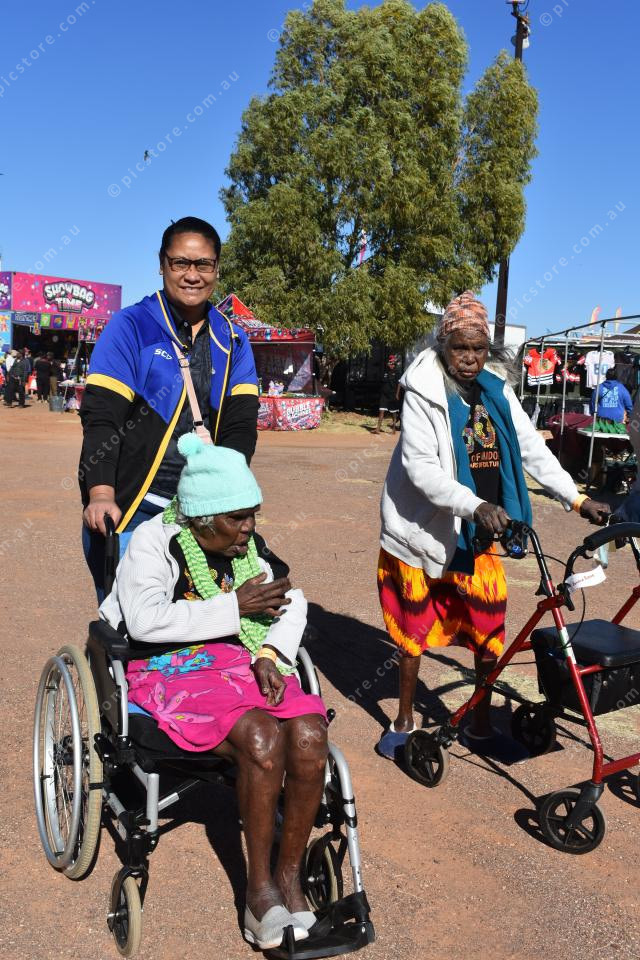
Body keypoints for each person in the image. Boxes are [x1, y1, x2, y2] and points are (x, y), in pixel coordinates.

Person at [100, 435, 327, 950]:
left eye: (253, 515)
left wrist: (269, 652)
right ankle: (258, 893)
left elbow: (291, 600)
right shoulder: (154, 542)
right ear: (202, 520)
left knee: (311, 733)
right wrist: (234, 608)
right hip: (167, 667)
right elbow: (144, 620)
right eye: (238, 518)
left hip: (238, 659)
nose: (249, 527)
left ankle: (289, 876)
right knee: (262, 736)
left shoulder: (246, 549)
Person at [376, 291, 610, 762]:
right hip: (424, 532)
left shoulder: (496, 389)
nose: (469, 358)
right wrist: (475, 504)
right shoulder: (423, 391)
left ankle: (479, 726)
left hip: (480, 533)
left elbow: (531, 448)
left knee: (488, 626)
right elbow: (421, 469)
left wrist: (577, 498)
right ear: (443, 345)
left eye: (478, 348)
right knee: (412, 630)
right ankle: (403, 722)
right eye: (459, 348)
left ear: (489, 349)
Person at [79, 216, 260, 599]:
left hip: (202, 514)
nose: (192, 275)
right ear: (162, 265)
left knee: (202, 619)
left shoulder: (232, 340)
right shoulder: (130, 327)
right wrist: (101, 494)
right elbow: (102, 418)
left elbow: (240, 427)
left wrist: (227, 499)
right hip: (133, 509)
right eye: (180, 263)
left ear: (217, 269)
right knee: (130, 622)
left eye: (203, 264)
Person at [374, 355, 402, 434]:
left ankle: (394, 429)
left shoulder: (397, 372)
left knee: (393, 412)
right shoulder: (385, 372)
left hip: (392, 395)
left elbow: (399, 384)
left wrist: (397, 394)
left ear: (394, 364)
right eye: (390, 363)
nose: (391, 365)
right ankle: (378, 429)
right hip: (384, 395)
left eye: (393, 363)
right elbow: (382, 383)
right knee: (381, 411)